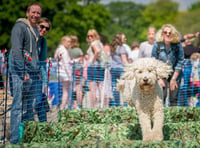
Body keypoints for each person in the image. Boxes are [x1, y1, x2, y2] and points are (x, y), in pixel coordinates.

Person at [9, 3, 42, 144]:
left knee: (29, 106)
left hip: (32, 72)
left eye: (38, 13)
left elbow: (34, 53)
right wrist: (22, 71)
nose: (35, 15)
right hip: (20, 71)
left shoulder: (35, 29)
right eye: (33, 12)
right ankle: (15, 140)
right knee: (17, 105)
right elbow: (17, 51)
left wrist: (37, 71)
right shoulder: (20, 27)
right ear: (27, 13)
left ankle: (27, 138)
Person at [151, 24, 184, 106]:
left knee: (173, 98)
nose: (168, 34)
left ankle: (173, 118)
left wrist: (174, 79)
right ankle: (160, 117)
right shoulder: (157, 44)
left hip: (175, 73)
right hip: (161, 73)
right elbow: (153, 61)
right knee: (162, 96)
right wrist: (158, 78)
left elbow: (180, 61)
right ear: (162, 33)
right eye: (165, 32)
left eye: (170, 32)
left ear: (173, 34)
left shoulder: (177, 44)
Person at [35, 17, 51, 122]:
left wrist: (45, 83)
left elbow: (43, 62)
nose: (44, 30)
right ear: (37, 25)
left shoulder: (43, 41)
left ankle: (43, 127)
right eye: (42, 26)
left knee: (40, 100)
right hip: (22, 73)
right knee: (23, 104)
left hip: (36, 75)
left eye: (47, 28)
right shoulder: (28, 37)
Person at [86, 29, 105, 108]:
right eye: (88, 36)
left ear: (95, 36)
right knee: (100, 88)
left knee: (92, 89)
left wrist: (92, 61)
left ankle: (94, 107)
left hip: (93, 67)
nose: (90, 37)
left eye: (92, 36)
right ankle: (101, 106)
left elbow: (97, 51)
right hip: (100, 67)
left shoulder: (94, 43)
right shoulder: (99, 43)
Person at [110, 33, 129, 106]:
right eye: (124, 38)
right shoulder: (122, 47)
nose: (126, 39)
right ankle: (125, 104)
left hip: (113, 69)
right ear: (120, 39)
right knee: (124, 86)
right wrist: (129, 67)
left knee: (115, 87)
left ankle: (117, 104)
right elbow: (124, 60)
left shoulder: (113, 47)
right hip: (121, 69)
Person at [54, 36, 72, 110]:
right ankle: (63, 107)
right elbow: (66, 63)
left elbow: (57, 58)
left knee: (62, 90)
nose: (69, 43)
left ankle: (61, 105)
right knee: (66, 91)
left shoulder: (58, 50)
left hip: (59, 72)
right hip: (65, 73)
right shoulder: (64, 51)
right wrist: (70, 75)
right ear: (64, 41)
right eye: (68, 42)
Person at [68, 35, 84, 108]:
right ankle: (79, 104)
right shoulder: (79, 50)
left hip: (70, 70)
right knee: (78, 87)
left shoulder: (68, 50)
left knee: (70, 87)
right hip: (78, 70)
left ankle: (71, 104)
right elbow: (81, 60)